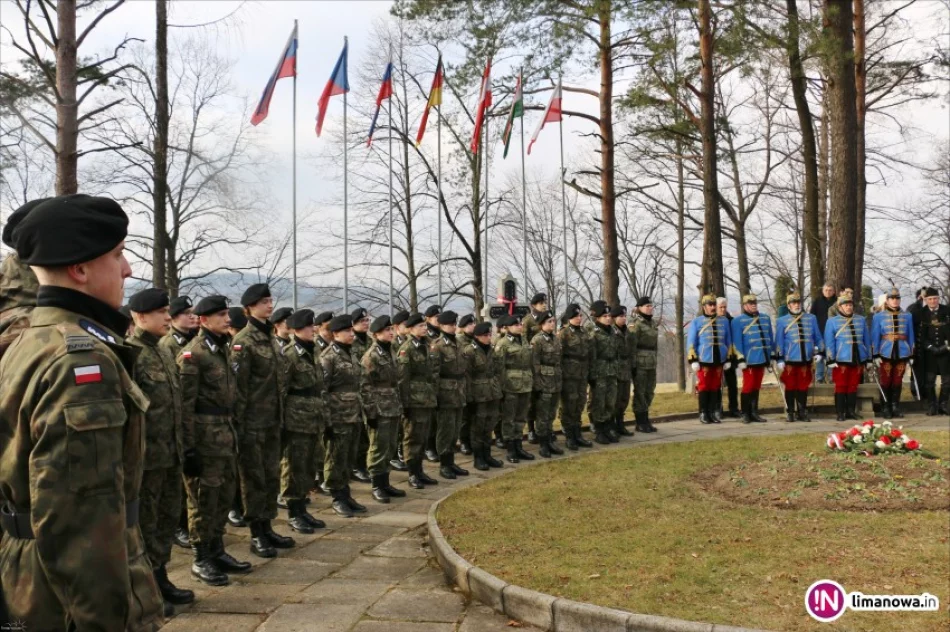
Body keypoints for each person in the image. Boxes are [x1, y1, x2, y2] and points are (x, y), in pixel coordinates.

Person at [0, 194, 164, 630]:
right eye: (117, 254)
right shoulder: (78, 360)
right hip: (65, 590)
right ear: (80, 268)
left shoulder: (34, 339)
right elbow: (80, 520)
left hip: (34, 572)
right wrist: (102, 618)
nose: (127, 269)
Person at [127, 288, 195, 608]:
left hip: (171, 454)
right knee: (145, 524)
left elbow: (176, 404)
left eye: (168, 311)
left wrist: (187, 447)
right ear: (140, 316)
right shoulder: (130, 353)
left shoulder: (164, 351)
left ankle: (161, 576)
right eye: (160, 312)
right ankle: (144, 589)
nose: (168, 317)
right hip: (147, 459)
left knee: (167, 519)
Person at [179, 295, 253, 585]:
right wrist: (188, 448)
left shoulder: (221, 350)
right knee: (202, 499)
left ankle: (217, 549)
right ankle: (200, 557)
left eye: (227, 314)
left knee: (224, 495)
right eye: (221, 315)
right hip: (204, 438)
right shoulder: (193, 354)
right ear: (204, 320)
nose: (227, 319)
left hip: (225, 434)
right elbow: (184, 406)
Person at [232, 283, 294, 556]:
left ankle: (268, 527)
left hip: (272, 421)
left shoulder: (271, 338)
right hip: (252, 424)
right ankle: (256, 532)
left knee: (271, 476)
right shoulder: (243, 342)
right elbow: (239, 389)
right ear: (249, 308)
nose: (269, 305)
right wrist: (241, 427)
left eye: (270, 300)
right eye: (263, 302)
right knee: (253, 479)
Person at [279, 309, 327, 533]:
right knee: (294, 466)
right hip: (295, 420)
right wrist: (282, 424)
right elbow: (281, 391)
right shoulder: (289, 355)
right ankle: (293, 511)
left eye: (313, 326)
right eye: (309, 326)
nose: (313, 329)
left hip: (313, 417)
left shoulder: (314, 350)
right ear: (297, 329)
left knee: (309, 465)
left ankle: (303, 509)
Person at [158, 294, 200, 547]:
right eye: (187, 313)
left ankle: (189, 524)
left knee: (192, 477)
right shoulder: (167, 345)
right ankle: (179, 525)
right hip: (176, 417)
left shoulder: (194, 342)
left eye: (193, 312)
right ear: (174, 318)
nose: (192, 316)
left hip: (194, 417)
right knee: (180, 479)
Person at [322, 315, 368, 517]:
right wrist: (327, 421)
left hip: (354, 414)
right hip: (338, 416)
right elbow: (322, 390)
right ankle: (337, 497)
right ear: (335, 334)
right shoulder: (328, 357)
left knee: (349, 456)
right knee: (336, 458)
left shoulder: (351, 354)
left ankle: (346, 493)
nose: (352, 334)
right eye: (347, 331)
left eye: (351, 330)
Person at [360, 315, 407, 503]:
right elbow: (365, 386)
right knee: (378, 447)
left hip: (393, 406)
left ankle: (385, 482)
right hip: (379, 409)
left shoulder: (390, 352)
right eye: (387, 330)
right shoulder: (371, 356)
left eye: (391, 329)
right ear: (377, 333)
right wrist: (370, 412)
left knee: (390, 446)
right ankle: (377, 485)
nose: (391, 333)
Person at [397, 313, 440, 489]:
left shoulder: (427, 345)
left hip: (427, 398)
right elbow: (402, 379)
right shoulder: (407, 349)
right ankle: (412, 473)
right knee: (412, 437)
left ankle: (420, 470)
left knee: (423, 436)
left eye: (425, 325)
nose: (425, 328)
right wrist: (405, 404)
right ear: (411, 329)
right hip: (414, 400)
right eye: (421, 326)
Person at [431, 310, 470, 479]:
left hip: (459, 390)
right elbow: (433, 373)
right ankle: (444, 464)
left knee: (455, 430)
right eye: (449, 324)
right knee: (445, 430)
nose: (453, 327)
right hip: (445, 392)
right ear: (441, 326)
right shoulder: (437, 345)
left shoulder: (460, 344)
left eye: (455, 324)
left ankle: (451, 461)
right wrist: (436, 396)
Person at [775, 292, 823, 422]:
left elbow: (817, 337)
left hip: (806, 359)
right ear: (789, 305)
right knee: (790, 387)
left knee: (803, 387)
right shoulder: (782, 321)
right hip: (790, 359)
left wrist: (820, 352)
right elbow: (779, 342)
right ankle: (790, 411)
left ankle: (802, 411)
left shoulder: (811, 318)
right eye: (793, 303)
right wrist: (779, 359)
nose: (796, 305)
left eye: (798, 302)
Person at [687, 294, 735, 425]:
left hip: (720, 358)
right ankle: (703, 412)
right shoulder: (697, 322)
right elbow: (691, 342)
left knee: (715, 386)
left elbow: (728, 341)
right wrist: (693, 360)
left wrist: (729, 358)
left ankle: (713, 412)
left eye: (714, 304)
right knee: (704, 386)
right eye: (710, 305)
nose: (713, 307)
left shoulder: (724, 321)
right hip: (704, 358)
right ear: (704, 307)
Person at [463, 321, 505, 470]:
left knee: (490, 425)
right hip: (478, 395)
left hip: (493, 393)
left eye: (490, 334)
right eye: (486, 335)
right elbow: (466, 377)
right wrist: (469, 398)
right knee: (477, 427)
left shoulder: (492, 350)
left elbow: (499, 371)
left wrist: (500, 389)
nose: (489, 337)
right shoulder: (469, 351)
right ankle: (478, 457)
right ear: (477, 336)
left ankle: (487, 455)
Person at [495, 314, 536, 462]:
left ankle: (519, 445)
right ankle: (510, 448)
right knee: (509, 418)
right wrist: (502, 388)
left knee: (521, 417)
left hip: (525, 384)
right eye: (516, 325)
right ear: (508, 327)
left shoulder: (524, 340)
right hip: (510, 386)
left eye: (520, 324)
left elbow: (530, 363)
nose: (520, 327)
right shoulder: (503, 344)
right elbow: (499, 368)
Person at [824, 294, 871, 421]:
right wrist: (830, 359)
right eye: (846, 305)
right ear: (840, 307)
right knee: (841, 385)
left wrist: (869, 358)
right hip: (841, 359)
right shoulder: (832, 321)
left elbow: (866, 340)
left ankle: (851, 411)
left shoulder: (861, 320)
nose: (849, 307)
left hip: (858, 358)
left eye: (850, 305)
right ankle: (840, 412)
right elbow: (829, 342)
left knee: (853, 386)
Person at [870, 287, 915, 419]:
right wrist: (876, 354)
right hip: (885, 351)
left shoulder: (907, 316)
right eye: (892, 298)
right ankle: (886, 407)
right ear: (887, 300)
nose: (895, 301)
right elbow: (875, 336)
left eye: (897, 298)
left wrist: (912, 353)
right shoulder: (878, 316)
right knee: (886, 380)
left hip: (902, 351)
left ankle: (895, 406)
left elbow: (910, 334)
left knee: (897, 380)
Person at [730, 294, 773, 424]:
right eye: (750, 303)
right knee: (748, 387)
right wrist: (740, 358)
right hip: (748, 359)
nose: (753, 304)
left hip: (762, 357)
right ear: (744, 305)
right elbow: (737, 342)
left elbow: (769, 338)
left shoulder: (765, 318)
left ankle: (754, 412)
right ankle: (745, 413)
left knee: (756, 386)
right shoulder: (738, 321)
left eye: (754, 302)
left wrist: (770, 356)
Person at [558, 303, 594, 449]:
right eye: (576, 316)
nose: (579, 318)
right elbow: (559, 356)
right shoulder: (564, 334)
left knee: (579, 403)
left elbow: (589, 353)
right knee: (568, 405)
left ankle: (578, 434)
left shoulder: (584, 333)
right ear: (569, 317)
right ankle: (569, 436)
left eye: (580, 316)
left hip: (582, 374)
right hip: (569, 375)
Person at [531, 310, 564, 457]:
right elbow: (534, 364)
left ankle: (550, 441)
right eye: (549, 321)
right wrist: (537, 385)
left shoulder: (556, 339)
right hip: (544, 382)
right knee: (542, 415)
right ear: (542, 324)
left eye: (553, 321)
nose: (553, 323)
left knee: (551, 413)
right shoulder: (537, 340)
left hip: (555, 381)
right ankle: (543, 444)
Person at [589, 302, 620, 442]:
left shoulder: (612, 331)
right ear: (598, 318)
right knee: (599, 402)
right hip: (600, 371)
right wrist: (592, 376)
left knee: (610, 400)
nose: (608, 318)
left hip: (612, 370)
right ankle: (599, 429)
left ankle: (608, 427)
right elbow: (592, 356)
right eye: (605, 316)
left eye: (609, 315)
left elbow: (616, 352)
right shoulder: (594, 333)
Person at [917, 287, 950, 415]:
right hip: (929, 353)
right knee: (929, 380)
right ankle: (932, 405)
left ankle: (943, 404)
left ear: (938, 298)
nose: (933, 301)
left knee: (947, 380)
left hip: (946, 351)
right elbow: (920, 335)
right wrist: (931, 347)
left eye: (935, 298)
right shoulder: (921, 313)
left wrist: (945, 347)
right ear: (925, 300)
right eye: (930, 299)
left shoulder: (947, 310)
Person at [630, 296, 659, 433]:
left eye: (650, 305)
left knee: (649, 391)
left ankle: (646, 419)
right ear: (639, 308)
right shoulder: (636, 323)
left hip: (651, 362)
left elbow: (655, 345)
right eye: (646, 306)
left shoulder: (652, 323)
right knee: (640, 392)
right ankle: (640, 421)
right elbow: (632, 345)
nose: (649, 308)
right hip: (640, 363)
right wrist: (633, 365)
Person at [389, 310, 412, 472]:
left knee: (404, 425)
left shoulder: (408, 342)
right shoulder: (393, 343)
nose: (409, 326)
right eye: (406, 324)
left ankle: (401, 452)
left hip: (405, 388)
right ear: (397, 327)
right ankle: (395, 455)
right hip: (394, 388)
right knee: (397, 426)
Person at [610, 305, 635, 437]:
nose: (624, 318)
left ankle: (620, 424)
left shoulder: (627, 332)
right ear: (614, 318)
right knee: (615, 398)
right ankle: (612, 425)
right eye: (621, 316)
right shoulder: (612, 332)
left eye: (625, 316)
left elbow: (630, 351)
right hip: (615, 369)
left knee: (624, 399)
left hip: (626, 369)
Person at [423, 305, 442, 462]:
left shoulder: (441, 334)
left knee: (440, 419)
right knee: (431, 419)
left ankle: (437, 445)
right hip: (429, 383)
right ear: (428, 319)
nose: (439, 320)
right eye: (436, 317)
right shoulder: (427, 336)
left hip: (442, 382)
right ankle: (429, 447)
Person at [716, 297, 739, 419]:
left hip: (730, 356)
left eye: (725, 307)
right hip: (718, 355)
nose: (723, 309)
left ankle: (734, 408)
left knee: (732, 384)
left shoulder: (731, 320)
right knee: (717, 385)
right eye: (721, 307)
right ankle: (718, 408)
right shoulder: (713, 320)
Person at [457, 313, 476, 455]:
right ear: (463, 327)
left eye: (473, 324)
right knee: (464, 415)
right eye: (470, 324)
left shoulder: (475, 339)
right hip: (463, 382)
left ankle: (471, 439)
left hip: (475, 381)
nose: (473, 326)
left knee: (474, 414)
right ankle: (463, 441)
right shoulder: (460, 341)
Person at [810, 283, 836, 383]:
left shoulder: (837, 302)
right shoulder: (817, 301)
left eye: (830, 290)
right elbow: (812, 316)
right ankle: (819, 377)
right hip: (820, 331)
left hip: (834, 333)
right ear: (823, 291)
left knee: (831, 353)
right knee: (820, 354)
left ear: (833, 291)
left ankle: (831, 377)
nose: (828, 292)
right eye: (826, 290)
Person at [907, 288, 927, 399]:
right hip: (916, 345)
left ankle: (926, 394)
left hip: (928, 345)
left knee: (928, 373)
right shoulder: (913, 308)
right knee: (917, 371)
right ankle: (916, 393)